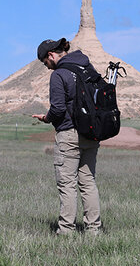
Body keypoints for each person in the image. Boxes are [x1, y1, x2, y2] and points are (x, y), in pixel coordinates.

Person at [32, 38, 102, 236]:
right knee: (88, 183)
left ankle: (66, 231)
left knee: (67, 184)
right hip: (91, 133)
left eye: (46, 63)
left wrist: (47, 118)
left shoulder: (59, 75)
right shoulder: (88, 68)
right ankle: (93, 230)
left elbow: (58, 109)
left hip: (69, 135)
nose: (47, 68)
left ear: (51, 55)